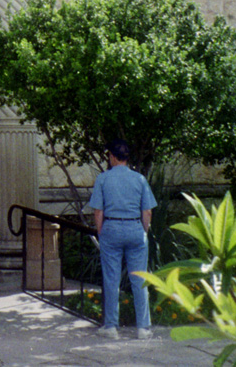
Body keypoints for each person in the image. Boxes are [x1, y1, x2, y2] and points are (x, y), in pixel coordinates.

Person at [87, 138, 157, 340]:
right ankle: (143, 327)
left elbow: (98, 210)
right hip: (135, 228)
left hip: (112, 228)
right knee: (140, 279)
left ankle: (111, 326)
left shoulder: (103, 179)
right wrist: (143, 230)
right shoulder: (140, 179)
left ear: (112, 157)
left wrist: (101, 231)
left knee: (111, 278)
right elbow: (147, 211)